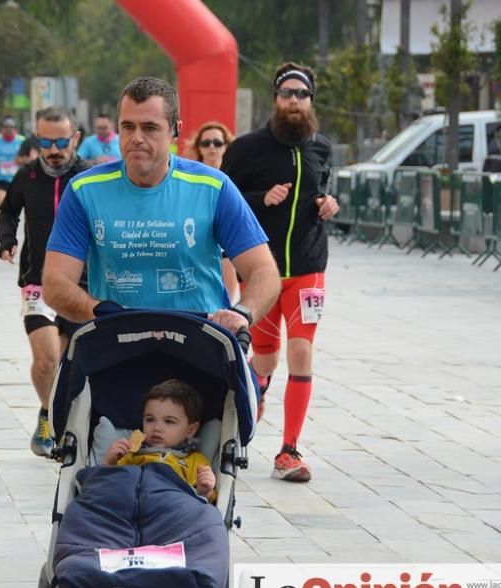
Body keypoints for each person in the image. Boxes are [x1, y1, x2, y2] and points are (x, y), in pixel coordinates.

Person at [43, 76, 280, 339]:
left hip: (199, 344)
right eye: (128, 126)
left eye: (150, 128)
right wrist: (98, 311)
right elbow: (55, 283)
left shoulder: (214, 188)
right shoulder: (84, 191)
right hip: (117, 344)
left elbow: (264, 271)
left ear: (175, 130)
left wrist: (243, 313)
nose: (137, 138)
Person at [222, 62, 340, 483]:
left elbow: (326, 190)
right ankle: (248, 412)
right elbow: (225, 201)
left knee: (303, 351)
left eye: (301, 95)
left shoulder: (322, 148)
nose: (294, 101)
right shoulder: (247, 149)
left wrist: (330, 204)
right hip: (265, 272)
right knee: (267, 358)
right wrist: (261, 197)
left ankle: (289, 451)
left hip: (310, 267)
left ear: (310, 101)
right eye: (287, 94)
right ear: (275, 98)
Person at [0, 106, 91, 457]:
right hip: (36, 281)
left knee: (72, 361)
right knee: (47, 360)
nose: (54, 149)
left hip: (81, 286)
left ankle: (59, 412)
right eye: (45, 141)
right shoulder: (28, 177)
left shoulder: (89, 178)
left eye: (61, 141)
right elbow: (8, 211)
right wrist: (7, 239)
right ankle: (48, 415)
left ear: (75, 138)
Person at [102, 380, 216, 502]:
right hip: (131, 500)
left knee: (208, 515)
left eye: (169, 421)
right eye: (150, 419)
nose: (156, 428)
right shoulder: (130, 454)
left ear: (190, 430)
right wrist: (109, 463)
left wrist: (205, 491)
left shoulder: (196, 461)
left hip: (171, 505)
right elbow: (109, 485)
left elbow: (203, 501)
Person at [188, 121, 238, 301]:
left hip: (226, 248)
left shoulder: (236, 177)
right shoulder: (189, 178)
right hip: (195, 246)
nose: (211, 147)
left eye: (217, 143)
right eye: (205, 143)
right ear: (198, 147)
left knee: (226, 307)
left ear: (226, 146)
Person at [0, 117, 25, 207]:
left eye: (11, 127)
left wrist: (22, 161)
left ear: (15, 129)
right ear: (1, 129)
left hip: (17, 178)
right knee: (2, 206)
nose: (8, 129)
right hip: (0, 178)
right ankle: (2, 220)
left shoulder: (22, 140)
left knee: (13, 208)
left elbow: (30, 157)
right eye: (6, 127)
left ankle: (10, 221)